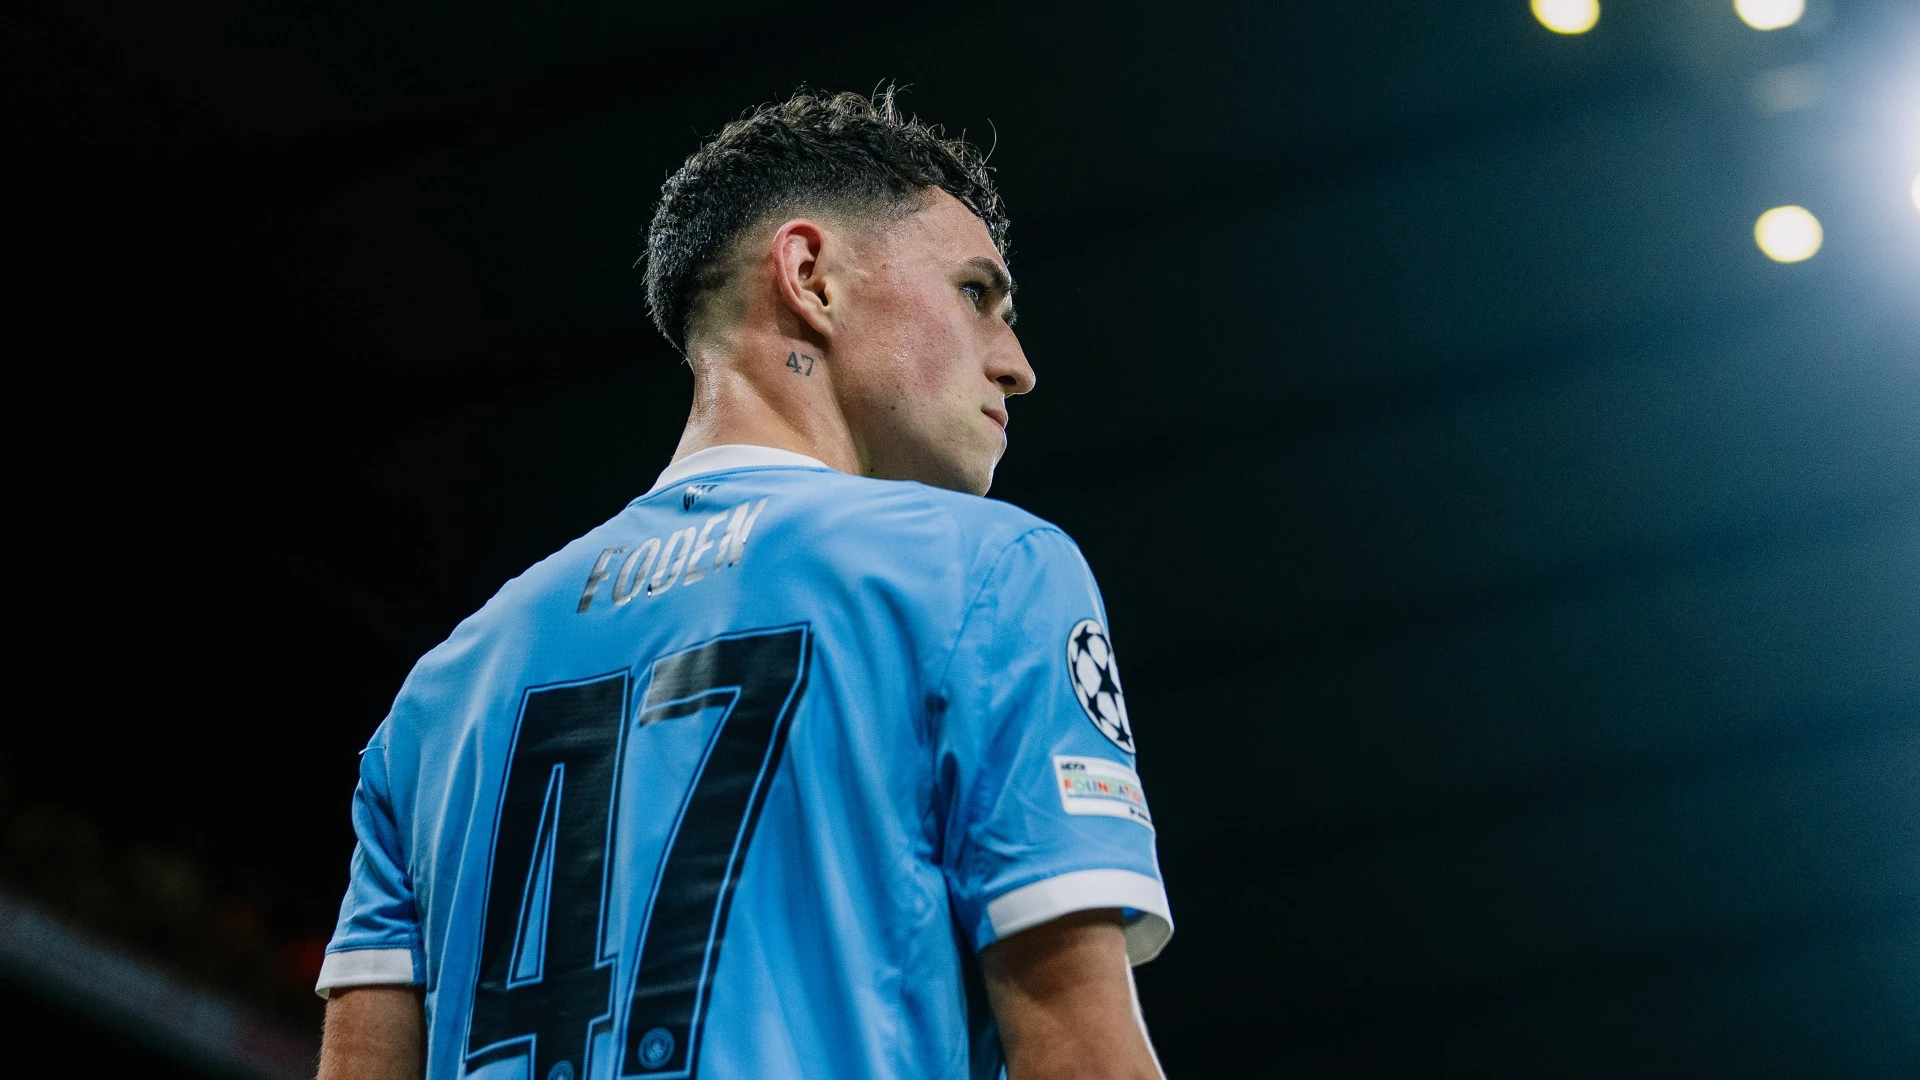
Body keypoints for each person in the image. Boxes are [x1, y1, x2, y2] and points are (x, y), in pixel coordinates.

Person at [315, 86, 1172, 1080]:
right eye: (977, 295)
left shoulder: (436, 700)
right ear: (811, 278)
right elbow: (1081, 1053)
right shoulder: (988, 574)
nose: (1016, 364)